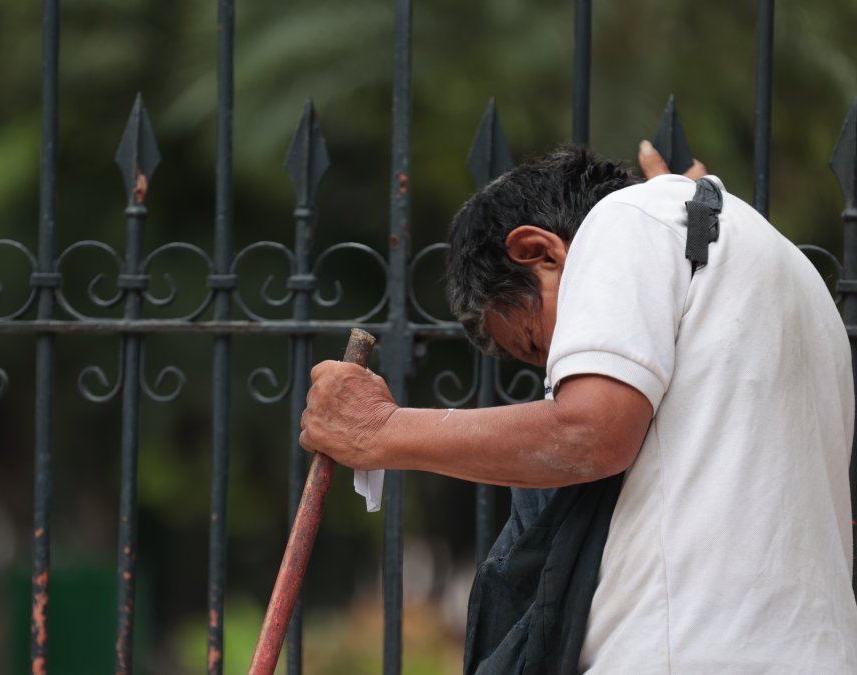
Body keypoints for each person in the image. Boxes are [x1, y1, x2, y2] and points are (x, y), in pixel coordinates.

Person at [298, 142, 857, 672]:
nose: (555, 370)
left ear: (536, 250)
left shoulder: (626, 219)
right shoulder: (780, 261)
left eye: (534, 344)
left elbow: (588, 433)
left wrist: (381, 430)